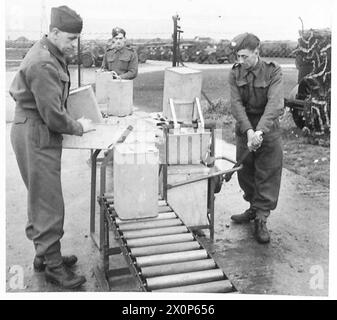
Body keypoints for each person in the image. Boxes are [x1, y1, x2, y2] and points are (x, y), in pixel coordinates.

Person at [9, 5, 93, 289]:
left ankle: (43, 256)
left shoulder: (50, 52)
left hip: (33, 128)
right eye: (70, 38)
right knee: (48, 200)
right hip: (36, 131)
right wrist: (80, 126)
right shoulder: (44, 62)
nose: (73, 45)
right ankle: (55, 268)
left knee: (41, 196)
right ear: (54, 31)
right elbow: (53, 116)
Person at [228, 33, 284, 244]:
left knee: (267, 172)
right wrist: (249, 132)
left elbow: (275, 104)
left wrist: (260, 131)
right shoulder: (234, 73)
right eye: (238, 57)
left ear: (256, 52)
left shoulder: (273, 71)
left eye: (244, 56)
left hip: (267, 128)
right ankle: (253, 208)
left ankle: (261, 218)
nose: (240, 61)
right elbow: (236, 105)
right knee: (246, 172)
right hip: (245, 128)